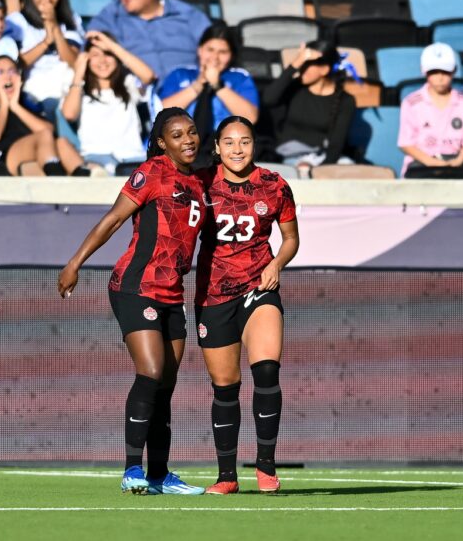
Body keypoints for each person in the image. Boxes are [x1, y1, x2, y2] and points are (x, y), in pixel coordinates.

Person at [57, 108, 206, 495]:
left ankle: (159, 475)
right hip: (136, 285)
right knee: (152, 371)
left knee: (166, 385)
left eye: (191, 132)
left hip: (174, 292)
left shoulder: (200, 183)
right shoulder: (152, 172)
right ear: (161, 142)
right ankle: (131, 470)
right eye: (177, 135)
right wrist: (75, 262)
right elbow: (113, 219)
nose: (187, 140)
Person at [194, 116, 299, 495]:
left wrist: (276, 264)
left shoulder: (273, 185)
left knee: (267, 371)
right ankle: (227, 476)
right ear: (217, 147)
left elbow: (290, 238)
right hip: (213, 295)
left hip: (259, 288)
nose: (238, 148)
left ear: (254, 145)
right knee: (225, 386)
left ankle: (266, 467)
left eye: (245, 141)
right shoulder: (200, 184)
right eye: (230, 142)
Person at [87, 0, 211, 83]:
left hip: (190, 89)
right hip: (139, 97)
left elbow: (215, 48)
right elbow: (90, 49)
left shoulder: (187, 15)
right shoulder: (111, 16)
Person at [159, 23, 259, 165]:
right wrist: (198, 84)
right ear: (200, 50)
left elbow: (250, 117)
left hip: (222, 150)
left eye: (223, 52)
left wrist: (218, 86)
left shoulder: (239, 78)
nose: (215, 57)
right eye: (210, 50)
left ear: (231, 55)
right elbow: (161, 112)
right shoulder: (179, 74)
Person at [60, 30, 157, 175]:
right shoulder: (78, 88)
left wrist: (112, 46)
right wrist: (79, 72)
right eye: (95, 55)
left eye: (108, 54)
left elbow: (148, 76)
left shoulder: (128, 83)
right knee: (92, 169)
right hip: (95, 158)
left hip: (132, 157)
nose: (102, 61)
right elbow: (69, 114)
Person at [0, 55, 88, 176]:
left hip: (35, 159)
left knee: (62, 142)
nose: (8, 76)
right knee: (43, 136)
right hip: (3, 158)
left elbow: (48, 130)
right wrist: (4, 104)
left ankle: (85, 177)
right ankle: (55, 175)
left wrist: (16, 107)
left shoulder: (28, 104)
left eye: (12, 70)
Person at [4, 0, 84, 130]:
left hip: (68, 85)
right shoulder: (16, 21)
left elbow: (73, 62)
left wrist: (54, 26)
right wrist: (46, 42)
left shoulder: (71, 19)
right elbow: (14, 66)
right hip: (33, 90)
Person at [263, 40, 357, 168]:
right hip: (291, 155)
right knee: (303, 168)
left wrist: (324, 171)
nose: (302, 68)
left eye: (307, 64)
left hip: (325, 157)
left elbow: (336, 144)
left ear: (324, 69)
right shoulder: (294, 87)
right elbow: (268, 99)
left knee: (352, 171)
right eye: (302, 64)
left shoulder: (345, 100)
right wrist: (295, 63)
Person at [398, 43, 463, 177]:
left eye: (445, 72)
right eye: (433, 72)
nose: (440, 77)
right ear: (424, 71)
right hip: (422, 163)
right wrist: (430, 162)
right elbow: (406, 143)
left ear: (454, 71)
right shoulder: (411, 103)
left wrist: (459, 160)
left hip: (456, 163)